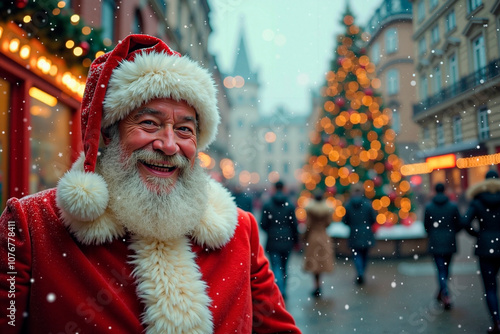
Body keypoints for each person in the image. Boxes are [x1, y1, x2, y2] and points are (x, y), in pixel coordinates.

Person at [0, 34, 301, 334]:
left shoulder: (240, 233)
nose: (169, 145)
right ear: (108, 133)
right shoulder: (31, 227)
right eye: (149, 124)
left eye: (184, 129)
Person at [463, 170, 500, 334]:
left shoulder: (477, 201)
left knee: (490, 288)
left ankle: (497, 321)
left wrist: (478, 234)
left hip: (485, 247)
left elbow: (465, 222)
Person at [423, 182, 462, 310]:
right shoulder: (452, 206)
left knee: (440, 269)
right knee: (447, 268)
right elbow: (459, 223)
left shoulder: (429, 207)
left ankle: (444, 293)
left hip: (435, 241)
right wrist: (451, 232)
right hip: (449, 241)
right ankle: (444, 293)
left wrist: (433, 233)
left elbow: (426, 226)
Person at [260, 180, 299, 300]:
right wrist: (296, 240)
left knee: (276, 266)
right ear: (284, 188)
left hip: (273, 240)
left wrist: (272, 230)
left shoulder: (268, 204)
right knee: (284, 266)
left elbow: (263, 223)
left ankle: (279, 289)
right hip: (287, 240)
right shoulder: (290, 204)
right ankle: (283, 289)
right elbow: (294, 225)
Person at [342, 183, 376, 285]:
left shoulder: (348, 205)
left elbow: (345, 221)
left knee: (356, 255)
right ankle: (362, 272)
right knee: (365, 254)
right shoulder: (367, 204)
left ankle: (359, 272)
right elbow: (373, 219)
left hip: (354, 234)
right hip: (366, 233)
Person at [302, 191, 335, 297]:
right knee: (321, 262)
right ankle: (319, 284)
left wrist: (304, 237)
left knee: (314, 262)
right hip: (324, 237)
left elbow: (308, 225)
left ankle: (316, 285)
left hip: (313, 237)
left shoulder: (310, 211)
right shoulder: (327, 210)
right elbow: (329, 223)